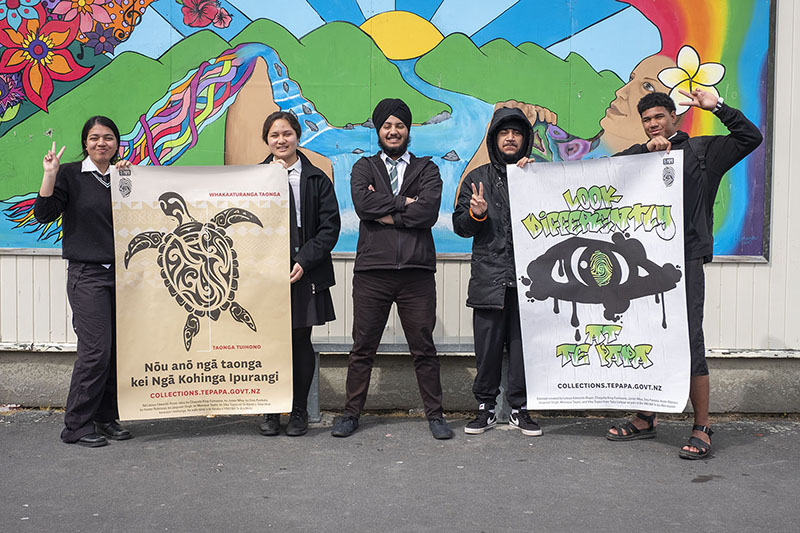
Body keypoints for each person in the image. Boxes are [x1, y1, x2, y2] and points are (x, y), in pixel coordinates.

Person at [606, 89, 762, 459]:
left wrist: (719, 108)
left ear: (673, 117)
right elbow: (601, 174)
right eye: (646, 120)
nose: (653, 124)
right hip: (642, 262)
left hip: (685, 260)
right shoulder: (637, 157)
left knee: (690, 339)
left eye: (659, 117)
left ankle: (702, 426)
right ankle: (646, 416)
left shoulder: (703, 153)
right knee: (646, 334)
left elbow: (750, 138)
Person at [330, 98, 453, 440]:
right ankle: (350, 414)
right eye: (387, 126)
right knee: (362, 348)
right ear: (379, 130)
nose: (393, 131)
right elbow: (362, 204)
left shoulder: (427, 168)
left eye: (400, 125)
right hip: (373, 272)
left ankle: (436, 415)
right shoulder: (364, 167)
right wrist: (404, 203)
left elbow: (427, 213)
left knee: (424, 348)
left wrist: (386, 212)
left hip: (416, 272)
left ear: (408, 130)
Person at [33, 116, 132, 447]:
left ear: (117, 142)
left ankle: (105, 417)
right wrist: (50, 174)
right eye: (94, 138)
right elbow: (44, 213)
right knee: (96, 350)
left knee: (115, 351)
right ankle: (76, 424)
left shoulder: (123, 176)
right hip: (87, 275)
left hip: (122, 274)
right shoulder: (71, 175)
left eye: (108, 137)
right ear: (85, 143)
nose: (101, 143)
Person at [453, 107, 543, 437]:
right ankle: (485, 408)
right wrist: (476, 215)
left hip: (529, 282)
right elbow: (459, 226)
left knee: (523, 349)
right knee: (488, 351)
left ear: (526, 139)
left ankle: (520, 408)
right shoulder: (477, 179)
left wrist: (534, 184)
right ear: (494, 139)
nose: (510, 138)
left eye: (517, 133)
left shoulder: (538, 175)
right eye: (504, 133)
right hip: (489, 279)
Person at [258, 111, 340, 437]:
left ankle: (299, 410)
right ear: (267, 140)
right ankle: (269, 410)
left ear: (297, 136)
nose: (281, 140)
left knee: (299, 342)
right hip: (266, 275)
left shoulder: (317, 178)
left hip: (304, 272)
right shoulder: (253, 178)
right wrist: (267, 180)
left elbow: (329, 228)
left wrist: (304, 261)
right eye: (275, 135)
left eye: (287, 133)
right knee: (267, 344)